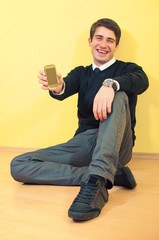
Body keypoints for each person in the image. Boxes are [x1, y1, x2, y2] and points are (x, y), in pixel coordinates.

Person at [10, 18, 149, 221]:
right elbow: (65, 87)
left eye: (110, 40)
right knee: (19, 164)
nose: (103, 44)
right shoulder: (81, 73)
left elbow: (142, 81)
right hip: (85, 144)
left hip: (119, 144)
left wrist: (111, 84)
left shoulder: (127, 69)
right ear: (90, 41)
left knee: (119, 94)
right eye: (99, 38)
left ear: (116, 46)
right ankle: (105, 174)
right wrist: (58, 87)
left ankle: (97, 181)